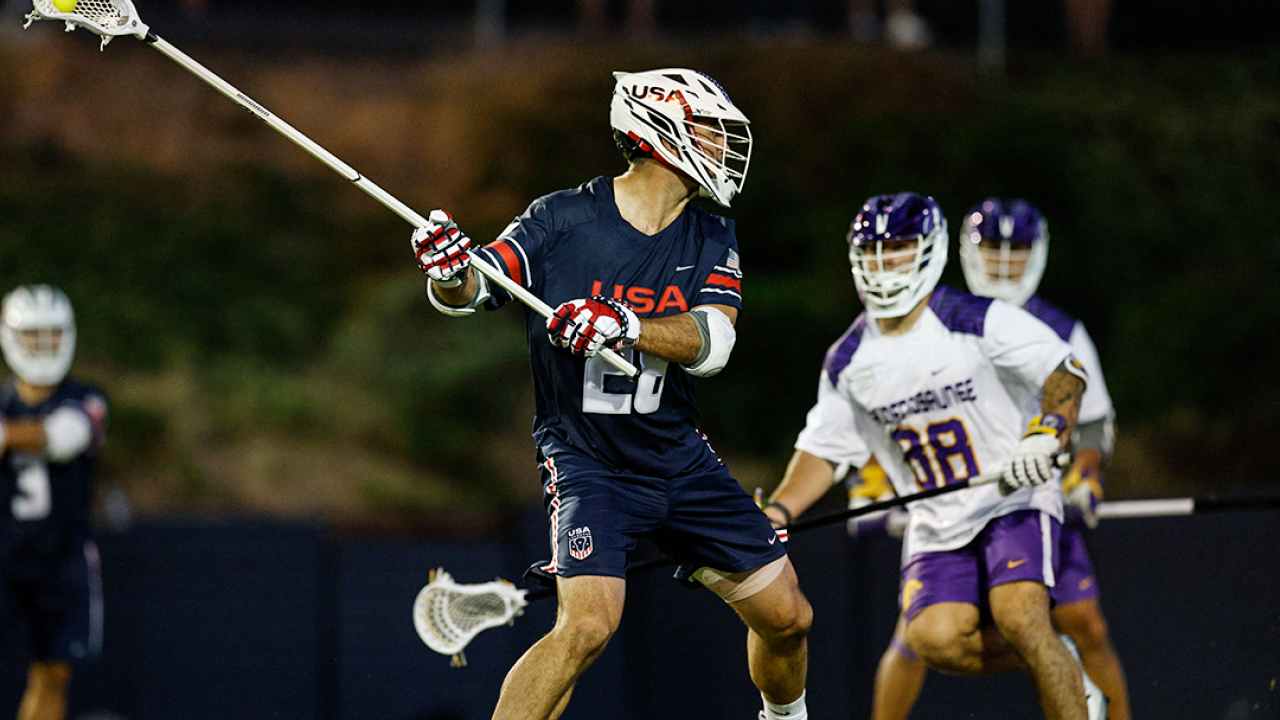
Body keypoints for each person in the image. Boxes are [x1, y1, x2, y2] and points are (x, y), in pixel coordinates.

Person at [411, 68, 812, 720]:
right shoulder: (563, 218)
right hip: (589, 462)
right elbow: (477, 288)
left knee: (789, 618)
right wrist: (449, 272)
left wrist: (625, 324)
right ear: (657, 132)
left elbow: (714, 343)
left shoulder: (712, 234)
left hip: (679, 458)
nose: (721, 147)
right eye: (708, 131)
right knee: (588, 627)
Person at [763, 192, 1106, 720]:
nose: (884, 264)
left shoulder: (979, 318)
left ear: (930, 250)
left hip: (1011, 494)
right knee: (934, 638)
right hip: (936, 516)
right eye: (873, 251)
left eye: (898, 248)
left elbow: (1065, 371)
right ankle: (1066, 667)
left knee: (1020, 617)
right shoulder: (848, 360)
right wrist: (780, 511)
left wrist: (1046, 432)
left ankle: (1062, 675)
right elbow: (824, 451)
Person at [0, 285, 108, 720]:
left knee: (53, 673)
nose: (44, 347)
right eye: (34, 336)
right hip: (2, 554)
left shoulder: (88, 398)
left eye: (53, 335)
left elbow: (62, 438)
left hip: (61, 556)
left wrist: (7, 436)